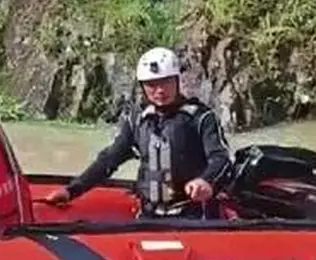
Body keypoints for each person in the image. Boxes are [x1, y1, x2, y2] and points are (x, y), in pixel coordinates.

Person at [42, 46, 232, 218]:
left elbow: (221, 158)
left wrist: (206, 181)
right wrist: (71, 191)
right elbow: (109, 160)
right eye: (151, 84)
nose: (159, 90)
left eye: (165, 82)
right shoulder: (137, 119)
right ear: (142, 86)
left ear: (176, 80)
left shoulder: (201, 118)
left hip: (193, 214)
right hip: (149, 215)